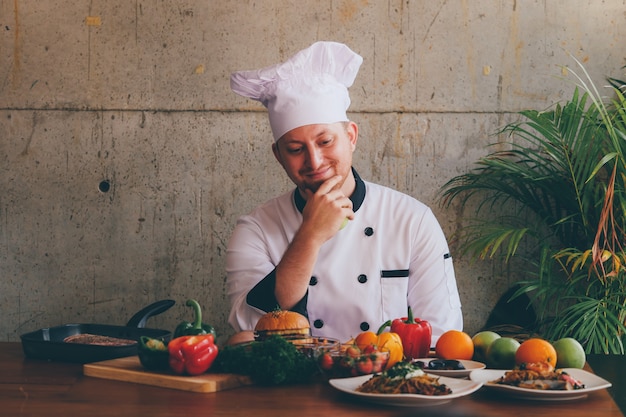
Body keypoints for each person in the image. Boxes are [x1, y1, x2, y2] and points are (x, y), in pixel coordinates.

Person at [226, 41, 462, 346]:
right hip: (295, 388)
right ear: (278, 155)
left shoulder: (412, 220)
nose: (314, 162)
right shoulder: (256, 229)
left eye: (325, 142)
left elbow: (442, 335)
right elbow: (249, 330)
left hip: (383, 384)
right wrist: (310, 235)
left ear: (351, 136)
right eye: (296, 149)